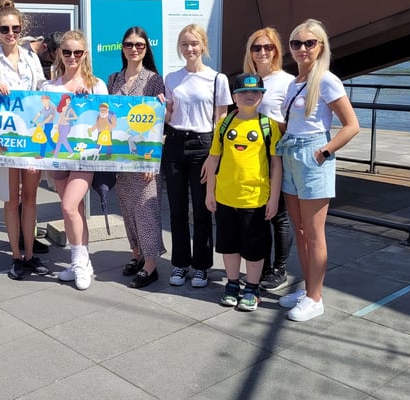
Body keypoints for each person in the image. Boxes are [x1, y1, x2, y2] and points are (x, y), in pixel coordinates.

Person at [276, 19, 359, 322]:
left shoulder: (326, 80)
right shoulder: (293, 82)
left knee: (314, 233)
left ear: (320, 46)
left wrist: (324, 152)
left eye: (309, 43)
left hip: (312, 155)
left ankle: (316, 297)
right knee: (299, 231)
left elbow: (352, 125)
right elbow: (291, 123)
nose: (302, 48)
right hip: (290, 152)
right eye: (296, 43)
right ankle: (308, 289)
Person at [0, 0, 51, 280]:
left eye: (15, 29)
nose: (11, 34)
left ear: (22, 29)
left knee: (30, 198)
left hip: (31, 136)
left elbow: (42, 89)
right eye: (5, 29)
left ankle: (30, 254)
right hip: (6, 138)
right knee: (11, 200)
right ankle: (16, 257)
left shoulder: (31, 57)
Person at [204, 74, 282, 311]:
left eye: (255, 92)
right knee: (228, 245)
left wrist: (274, 198)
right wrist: (210, 192)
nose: (250, 96)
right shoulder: (224, 124)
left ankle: (252, 287)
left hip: (255, 199)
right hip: (225, 196)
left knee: (254, 248)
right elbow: (214, 158)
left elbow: (276, 164)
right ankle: (232, 283)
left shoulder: (268, 126)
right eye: (243, 92)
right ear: (234, 97)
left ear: (262, 96)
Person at [163, 23, 232, 288]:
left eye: (194, 43)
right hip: (175, 143)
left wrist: (215, 154)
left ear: (203, 45)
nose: (189, 48)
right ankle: (180, 263)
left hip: (204, 145)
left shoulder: (217, 79)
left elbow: (221, 119)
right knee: (177, 209)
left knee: (203, 208)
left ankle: (202, 266)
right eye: (184, 44)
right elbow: (170, 115)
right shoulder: (172, 78)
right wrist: (162, 109)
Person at [40, 30, 108, 290]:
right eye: (67, 52)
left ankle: (78, 261)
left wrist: (89, 101)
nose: (72, 57)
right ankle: (83, 263)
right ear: (60, 53)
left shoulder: (96, 85)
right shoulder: (49, 87)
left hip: (84, 157)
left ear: (84, 54)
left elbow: (105, 118)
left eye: (77, 52)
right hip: (58, 156)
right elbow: (41, 114)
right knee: (74, 211)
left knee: (69, 207)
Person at [108, 26, 166, 289]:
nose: (134, 49)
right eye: (129, 44)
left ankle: (151, 265)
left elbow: (159, 123)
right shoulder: (113, 79)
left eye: (139, 45)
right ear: (122, 48)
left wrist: (152, 161)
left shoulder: (154, 80)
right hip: (121, 157)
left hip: (144, 158)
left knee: (146, 209)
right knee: (128, 209)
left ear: (146, 48)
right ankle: (137, 254)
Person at [243, 27, 296, 292]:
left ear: (276, 50)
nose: (262, 52)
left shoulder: (287, 82)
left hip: (277, 154)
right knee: (258, 213)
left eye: (268, 47)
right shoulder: (247, 80)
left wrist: (270, 123)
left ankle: (279, 269)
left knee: (279, 215)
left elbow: (294, 123)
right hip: (250, 157)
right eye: (257, 47)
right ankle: (261, 267)